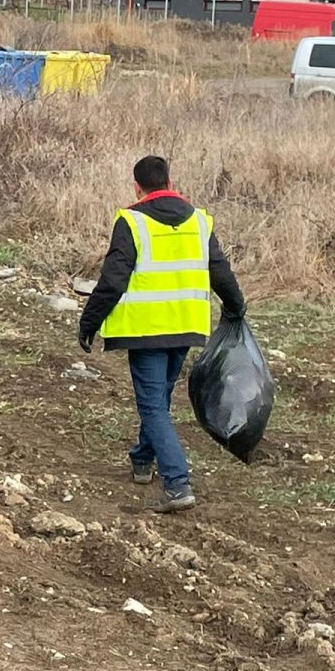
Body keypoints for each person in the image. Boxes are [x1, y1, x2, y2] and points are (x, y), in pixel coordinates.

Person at [78, 156, 245, 514]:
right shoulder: (199, 221)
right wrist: (236, 307)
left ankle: (177, 483)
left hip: (146, 330)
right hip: (185, 326)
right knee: (160, 402)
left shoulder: (132, 221)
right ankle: (141, 460)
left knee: (153, 406)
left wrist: (89, 322)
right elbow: (220, 270)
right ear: (170, 181)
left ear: (137, 187)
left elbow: (113, 279)